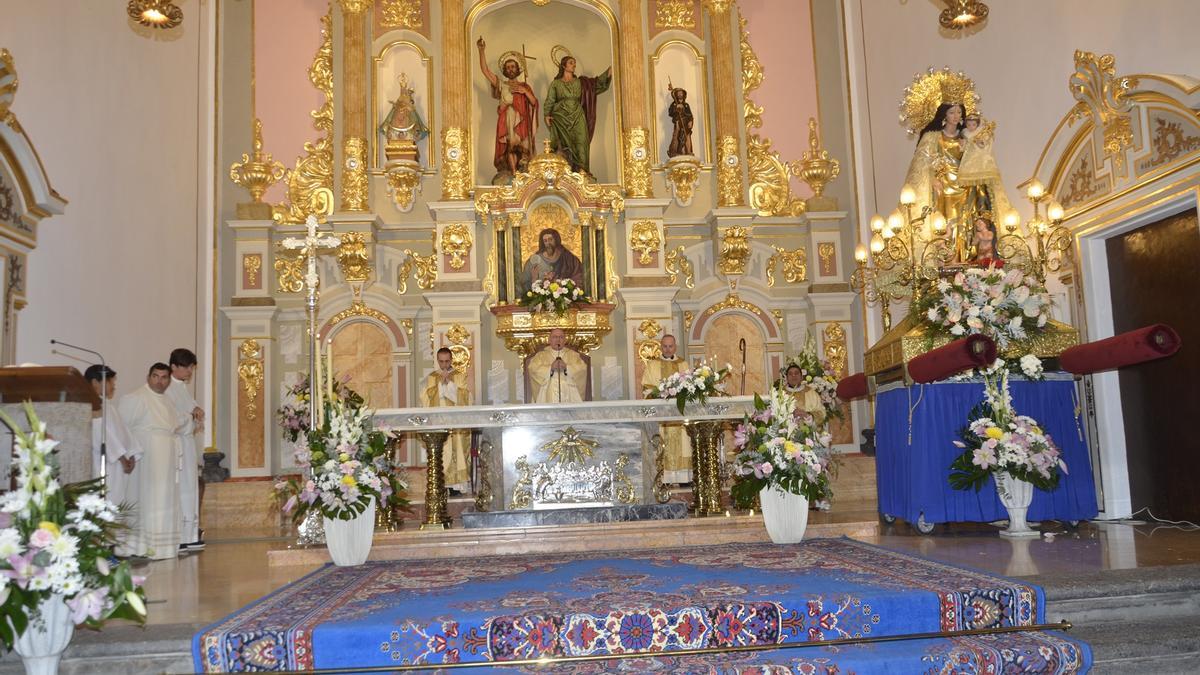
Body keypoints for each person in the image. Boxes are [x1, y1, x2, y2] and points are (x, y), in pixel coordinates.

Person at [904, 102, 1012, 264]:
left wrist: (978, 144)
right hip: (943, 188)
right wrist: (933, 178)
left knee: (966, 222)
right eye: (952, 112)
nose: (956, 116)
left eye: (959, 112)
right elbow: (922, 163)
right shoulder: (933, 137)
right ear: (944, 115)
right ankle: (948, 260)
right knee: (947, 223)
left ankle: (967, 259)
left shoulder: (967, 136)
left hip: (965, 186)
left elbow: (980, 159)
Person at [119, 363, 190, 560]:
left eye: (164, 377)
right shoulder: (136, 397)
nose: (159, 381)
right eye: (155, 376)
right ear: (148, 377)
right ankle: (140, 545)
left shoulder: (167, 400)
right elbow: (123, 428)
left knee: (165, 497)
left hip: (166, 455)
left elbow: (176, 423)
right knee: (147, 496)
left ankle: (163, 547)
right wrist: (129, 452)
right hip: (147, 455)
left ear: (169, 379)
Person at [85, 365, 146, 557]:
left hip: (117, 467)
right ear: (96, 382)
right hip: (102, 465)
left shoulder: (108, 406)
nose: (113, 386)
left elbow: (123, 433)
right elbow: (99, 434)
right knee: (106, 505)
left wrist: (132, 453)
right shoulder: (91, 405)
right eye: (110, 381)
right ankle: (102, 552)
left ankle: (113, 550)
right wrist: (121, 456)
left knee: (116, 505)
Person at [477, 37, 539, 183]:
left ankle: (523, 172)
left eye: (513, 66)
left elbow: (534, 103)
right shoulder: (501, 84)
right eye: (508, 67)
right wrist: (481, 51)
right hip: (506, 120)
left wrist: (525, 92)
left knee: (522, 149)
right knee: (510, 148)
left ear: (518, 69)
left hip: (522, 121)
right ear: (505, 70)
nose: (511, 69)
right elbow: (485, 71)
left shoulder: (524, 86)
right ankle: (513, 172)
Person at [544, 52, 612, 176]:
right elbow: (550, 100)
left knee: (582, 141)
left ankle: (582, 171)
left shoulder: (581, 82)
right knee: (563, 145)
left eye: (575, 63)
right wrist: (547, 114)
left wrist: (609, 71)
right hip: (560, 117)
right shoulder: (556, 84)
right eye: (571, 63)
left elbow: (595, 85)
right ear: (564, 66)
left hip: (577, 115)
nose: (574, 65)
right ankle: (565, 172)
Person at [166, 348, 205, 552]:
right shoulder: (168, 389)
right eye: (187, 367)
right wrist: (192, 417)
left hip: (187, 444)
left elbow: (192, 411)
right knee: (182, 488)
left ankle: (191, 534)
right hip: (178, 445)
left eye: (192, 367)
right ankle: (180, 535)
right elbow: (173, 419)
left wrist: (197, 412)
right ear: (174, 366)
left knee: (190, 487)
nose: (190, 371)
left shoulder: (181, 388)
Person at [421, 348, 473, 493]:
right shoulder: (432, 376)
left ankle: (457, 486)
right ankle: (441, 485)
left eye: (447, 361)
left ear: (451, 360)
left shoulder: (459, 376)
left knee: (458, 452)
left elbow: (466, 397)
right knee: (441, 451)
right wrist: (439, 385)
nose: (444, 365)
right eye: (441, 361)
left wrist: (449, 385)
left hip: (456, 422)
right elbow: (425, 398)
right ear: (438, 361)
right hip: (439, 422)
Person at [641, 334, 691, 483]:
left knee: (683, 443)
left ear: (675, 346)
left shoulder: (683, 364)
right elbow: (647, 386)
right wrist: (660, 393)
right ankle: (664, 478)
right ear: (660, 347)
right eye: (665, 346)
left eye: (670, 346)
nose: (668, 349)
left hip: (680, 413)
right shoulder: (652, 364)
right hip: (662, 413)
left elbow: (690, 385)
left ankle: (683, 478)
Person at [378, 72, 429, 162]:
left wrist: (408, 108)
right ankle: (396, 137)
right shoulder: (399, 103)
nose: (403, 92)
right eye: (402, 89)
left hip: (407, 122)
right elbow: (396, 109)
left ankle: (406, 136)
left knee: (411, 125)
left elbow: (412, 113)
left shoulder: (409, 106)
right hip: (398, 123)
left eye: (404, 90)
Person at [519, 227, 585, 295]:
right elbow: (524, 284)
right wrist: (533, 279)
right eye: (545, 241)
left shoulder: (569, 258)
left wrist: (566, 286)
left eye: (550, 239)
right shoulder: (534, 261)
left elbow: (579, 277)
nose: (548, 243)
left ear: (556, 240)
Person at [528, 328, 587, 403]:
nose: (558, 340)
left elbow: (582, 369)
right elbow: (533, 369)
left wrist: (567, 367)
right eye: (555, 337)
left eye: (561, 337)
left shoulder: (573, 355)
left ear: (565, 340)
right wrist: (550, 368)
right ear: (549, 340)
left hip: (569, 395)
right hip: (547, 395)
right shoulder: (540, 356)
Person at [666, 84, 694, 158]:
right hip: (679, 122)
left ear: (683, 95)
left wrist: (690, 121)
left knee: (687, 136)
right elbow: (670, 113)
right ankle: (675, 151)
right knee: (677, 135)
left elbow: (690, 115)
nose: (680, 94)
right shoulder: (674, 104)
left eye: (681, 93)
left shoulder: (686, 105)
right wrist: (676, 108)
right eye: (678, 93)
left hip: (685, 122)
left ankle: (688, 151)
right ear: (676, 95)